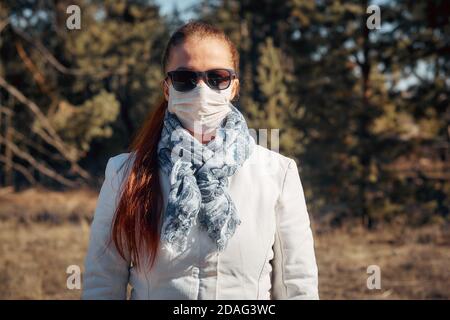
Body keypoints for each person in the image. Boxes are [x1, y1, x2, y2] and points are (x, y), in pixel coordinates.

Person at [82, 20, 319, 300]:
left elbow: (297, 285)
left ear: (233, 88)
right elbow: (102, 283)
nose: (201, 91)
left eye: (217, 77)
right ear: (167, 88)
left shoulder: (277, 173)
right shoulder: (125, 173)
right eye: (185, 79)